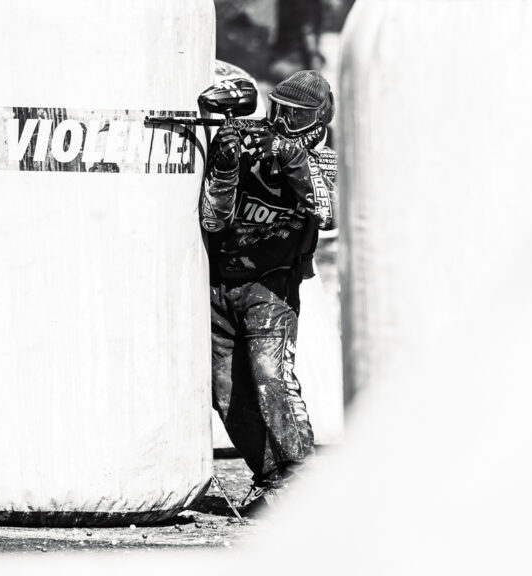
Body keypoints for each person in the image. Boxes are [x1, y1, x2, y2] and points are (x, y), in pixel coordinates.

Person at [201, 70, 338, 514]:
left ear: (317, 121)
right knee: (225, 390)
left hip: (272, 289)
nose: (280, 122)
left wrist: (289, 154)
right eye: (277, 110)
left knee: (271, 378)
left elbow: (328, 212)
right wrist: (225, 163)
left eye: (293, 116)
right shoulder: (250, 144)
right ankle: (274, 482)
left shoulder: (324, 162)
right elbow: (214, 220)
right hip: (220, 286)